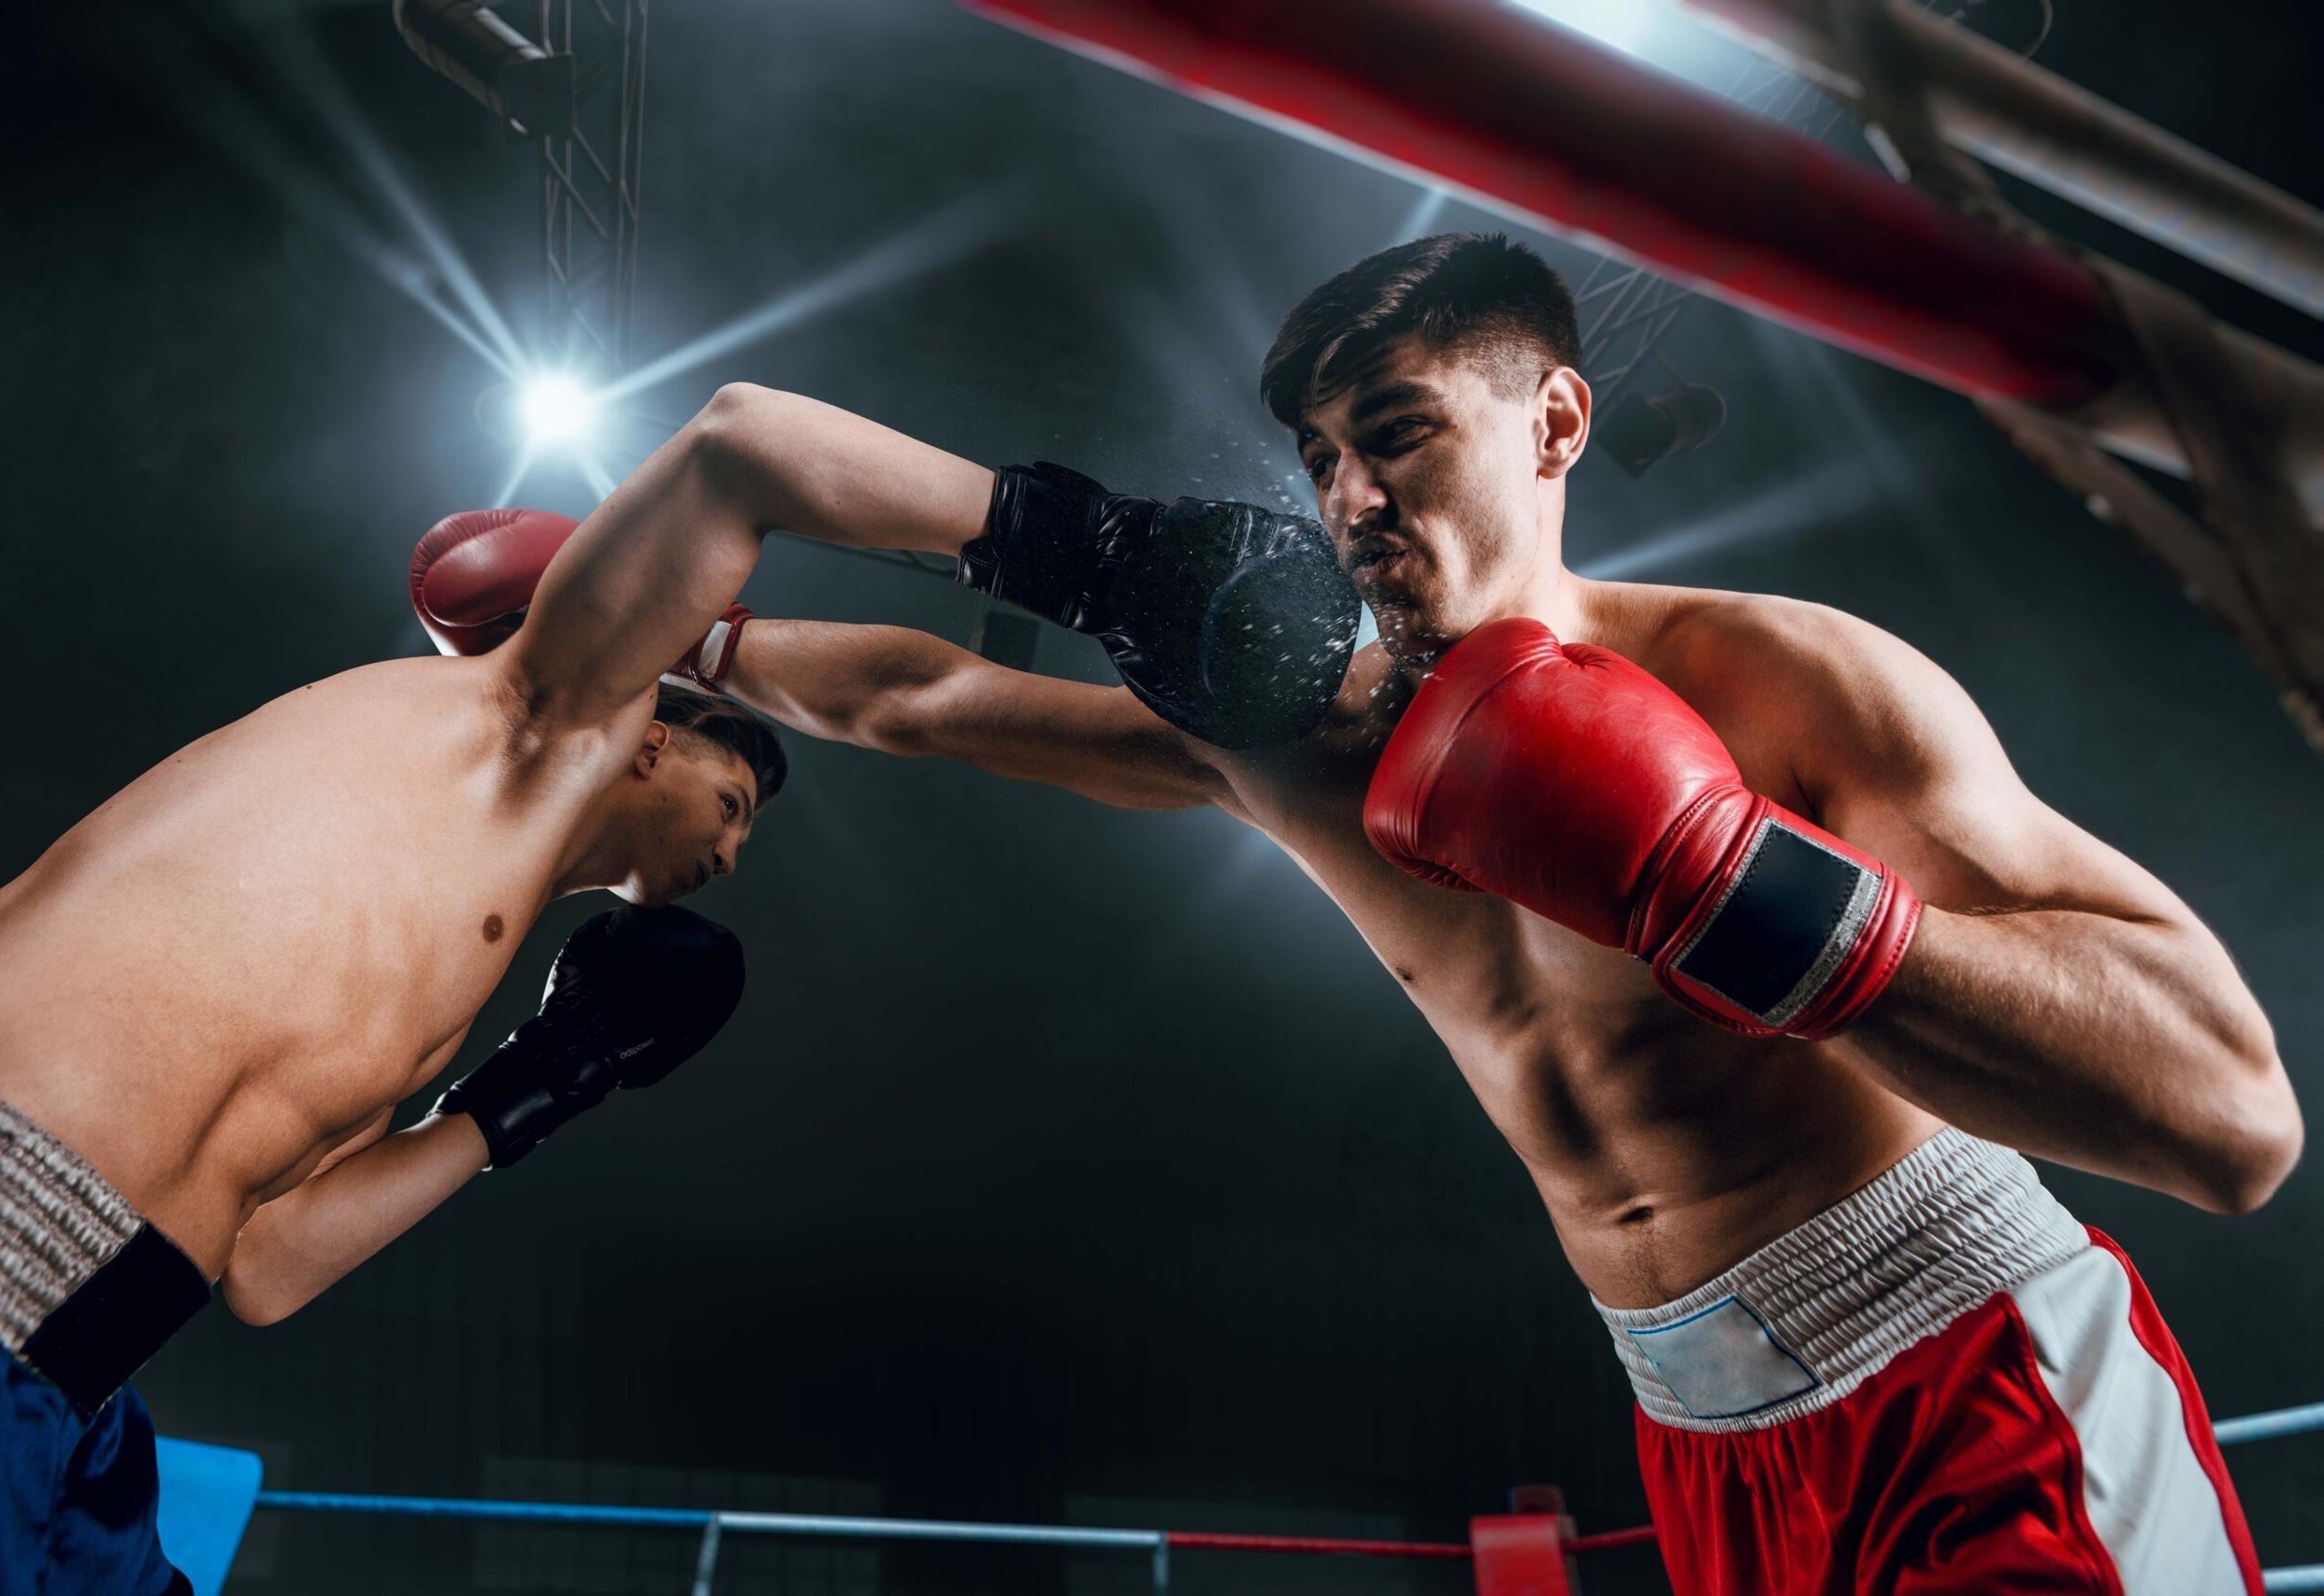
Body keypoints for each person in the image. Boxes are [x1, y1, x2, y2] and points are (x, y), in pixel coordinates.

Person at [437, 233, 2300, 1592]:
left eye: (1394, 433)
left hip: (1962, 1366)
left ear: (1554, 419)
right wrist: (659, 624)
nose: (1346, 496)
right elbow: (919, 698)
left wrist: (1732, 884)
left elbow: (2230, 1116)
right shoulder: (1292, 744)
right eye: (1320, 457)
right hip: (1703, 1440)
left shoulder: (1777, 677)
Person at [0, 491, 786, 1593]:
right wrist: (1029, 540)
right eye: (728, 803)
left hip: (70, 1380)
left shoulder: (468, 955)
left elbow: (273, 1264)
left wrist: (542, 1079)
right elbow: (738, 458)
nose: (729, 852)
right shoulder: (459, 755)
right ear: (649, 737)